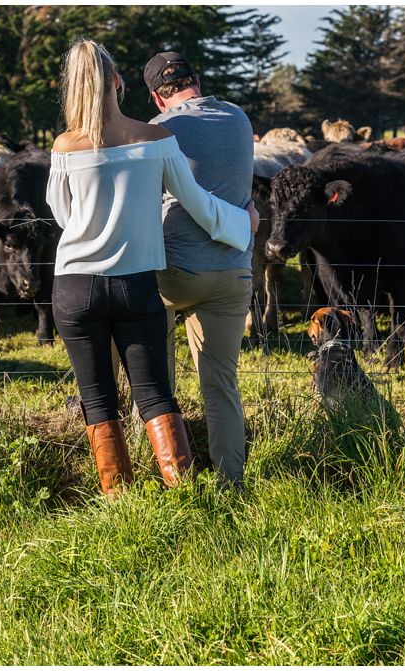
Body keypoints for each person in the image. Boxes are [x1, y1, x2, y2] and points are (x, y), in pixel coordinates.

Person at [45, 39, 259, 497]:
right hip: (135, 280)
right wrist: (245, 223)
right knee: (156, 395)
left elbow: (62, 215)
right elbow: (198, 204)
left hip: (73, 285)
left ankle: (120, 502)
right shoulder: (157, 139)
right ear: (118, 82)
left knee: (98, 400)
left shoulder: (64, 145)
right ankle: (184, 494)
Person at [143, 51, 256, 488]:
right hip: (232, 271)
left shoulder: (158, 131)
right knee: (221, 385)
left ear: (156, 97)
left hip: (174, 271)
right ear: (198, 79)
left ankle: (166, 472)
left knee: (156, 376)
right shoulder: (239, 119)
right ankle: (232, 482)